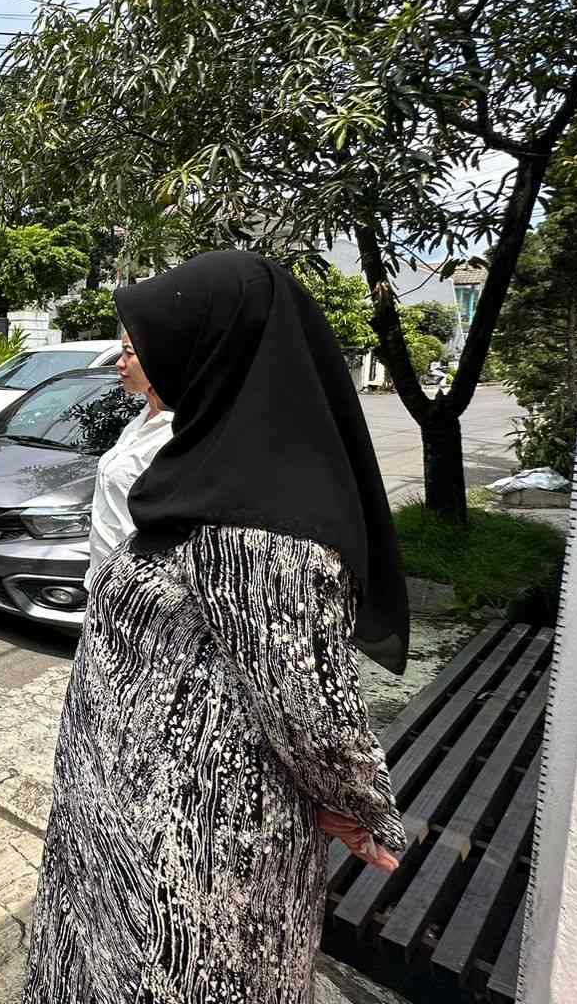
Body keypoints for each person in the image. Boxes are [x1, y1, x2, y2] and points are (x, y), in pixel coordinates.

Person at [21, 251, 410, 1004]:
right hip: (129, 817)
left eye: (164, 343)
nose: (144, 360)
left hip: (195, 847)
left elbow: (310, 705)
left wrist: (363, 806)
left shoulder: (263, 528)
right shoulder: (205, 471)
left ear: (220, 355)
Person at [84, 332, 174, 587]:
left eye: (129, 353)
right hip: (102, 580)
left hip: (134, 589)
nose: (119, 363)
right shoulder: (142, 418)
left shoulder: (176, 434)